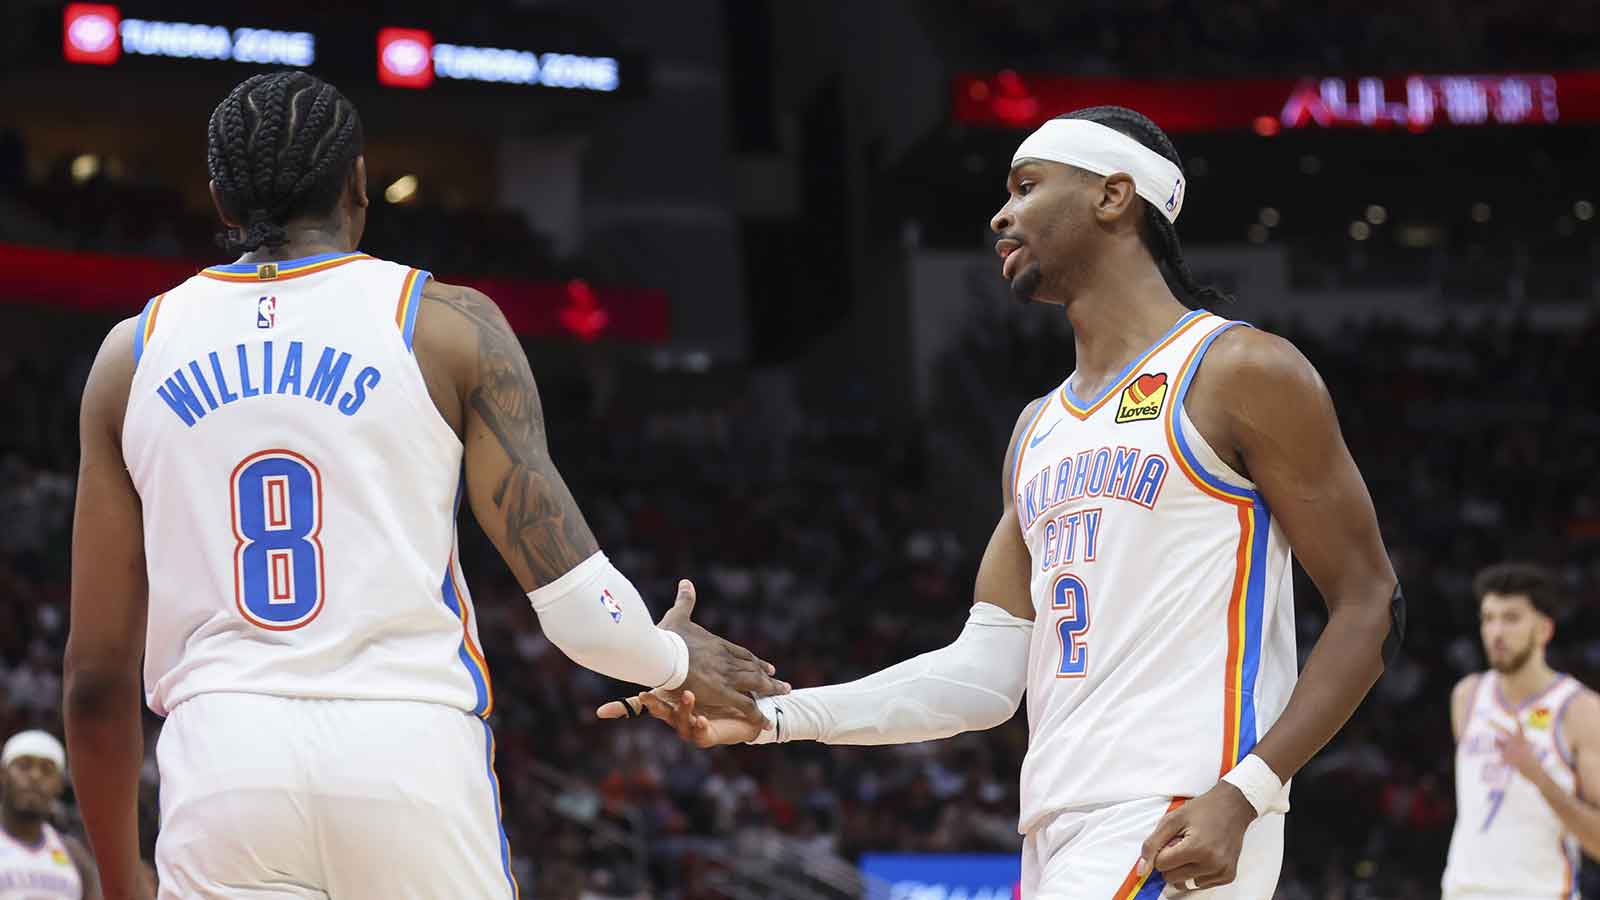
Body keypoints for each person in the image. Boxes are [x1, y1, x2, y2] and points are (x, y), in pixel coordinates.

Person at [601, 105, 1402, 899]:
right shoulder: (1037, 429)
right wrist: (775, 714)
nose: (1000, 213)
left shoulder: (1239, 369)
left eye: (1025, 187)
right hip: (1056, 820)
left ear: (1113, 196)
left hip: (1179, 809)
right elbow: (984, 676)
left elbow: (1370, 600)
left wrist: (1251, 789)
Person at [62, 70, 783, 900]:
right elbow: (582, 609)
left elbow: (94, 680)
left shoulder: (130, 356)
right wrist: (667, 657)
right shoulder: (447, 323)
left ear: (221, 200)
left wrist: (120, 877)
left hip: (223, 762)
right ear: (360, 182)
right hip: (405, 753)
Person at [1443, 562, 1600, 899]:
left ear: (1544, 629)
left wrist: (1540, 778)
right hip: (1461, 891)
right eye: (1488, 618)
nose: (1496, 631)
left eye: (1511, 618)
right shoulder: (1466, 696)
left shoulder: (1580, 710)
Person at [0, 731, 99, 899]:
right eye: (24, 766)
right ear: (3, 775)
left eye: (46, 770)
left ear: (59, 784)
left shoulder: (75, 855)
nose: (35, 776)